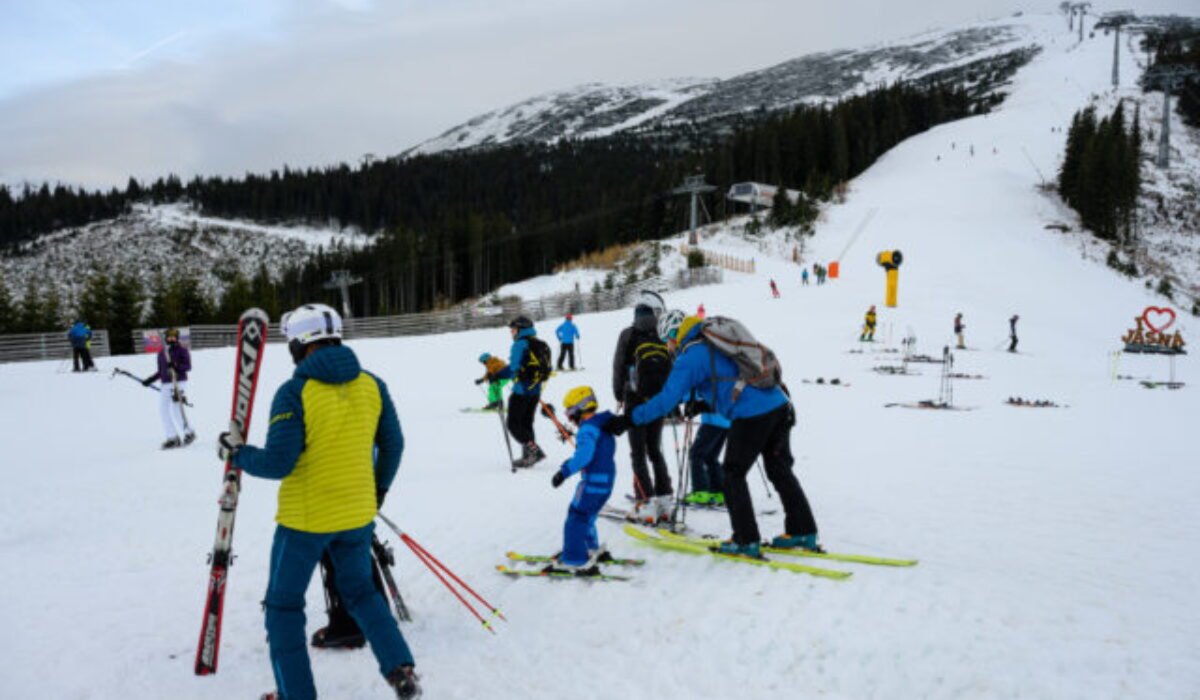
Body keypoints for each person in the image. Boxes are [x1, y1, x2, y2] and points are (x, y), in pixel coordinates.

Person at [216, 302, 420, 700]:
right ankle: (400, 668)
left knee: (283, 608)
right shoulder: (372, 384)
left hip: (304, 521)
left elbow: (278, 462)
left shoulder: (295, 392)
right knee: (361, 593)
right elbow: (393, 445)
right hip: (357, 515)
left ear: (298, 345)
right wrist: (376, 492)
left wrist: (237, 453)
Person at [605, 315, 821, 557]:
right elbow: (729, 383)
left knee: (732, 474)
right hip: (780, 406)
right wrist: (702, 405)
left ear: (675, 335)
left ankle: (745, 540)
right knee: (779, 471)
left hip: (752, 415)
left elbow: (666, 400)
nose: (669, 347)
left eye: (668, 341)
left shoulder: (691, 356)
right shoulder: (713, 342)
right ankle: (803, 531)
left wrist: (629, 419)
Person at [611, 292, 673, 522]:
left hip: (635, 399)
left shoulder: (628, 334)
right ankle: (665, 498)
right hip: (658, 401)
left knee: (638, 452)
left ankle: (645, 501)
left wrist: (619, 393)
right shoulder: (662, 333)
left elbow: (618, 365)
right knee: (655, 450)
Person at [546, 386, 617, 575]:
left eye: (570, 413)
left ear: (580, 409)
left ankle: (574, 558)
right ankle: (589, 547)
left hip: (593, 483)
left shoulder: (588, 430)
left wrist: (564, 471)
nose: (570, 419)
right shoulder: (602, 424)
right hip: (606, 482)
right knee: (588, 515)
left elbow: (584, 456)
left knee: (576, 516)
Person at [492, 316, 552, 468]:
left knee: (513, 424)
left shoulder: (520, 345)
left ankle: (534, 451)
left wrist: (497, 375)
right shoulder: (539, 344)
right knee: (526, 423)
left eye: (513, 330)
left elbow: (513, 369)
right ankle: (528, 457)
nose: (511, 333)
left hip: (521, 391)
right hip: (536, 391)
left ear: (520, 330)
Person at [142, 327, 194, 449]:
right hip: (165, 383)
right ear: (166, 338)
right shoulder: (161, 353)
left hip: (178, 382)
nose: (171, 338)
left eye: (173, 336)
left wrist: (176, 366)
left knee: (176, 409)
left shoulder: (182, 350)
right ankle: (172, 437)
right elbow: (161, 371)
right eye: (169, 336)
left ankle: (189, 433)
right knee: (163, 410)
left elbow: (188, 367)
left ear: (177, 338)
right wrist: (150, 380)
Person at [684, 406, 728, 506]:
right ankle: (718, 492)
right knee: (711, 457)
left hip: (713, 420)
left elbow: (698, 392)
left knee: (696, 454)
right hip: (725, 421)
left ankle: (701, 491)